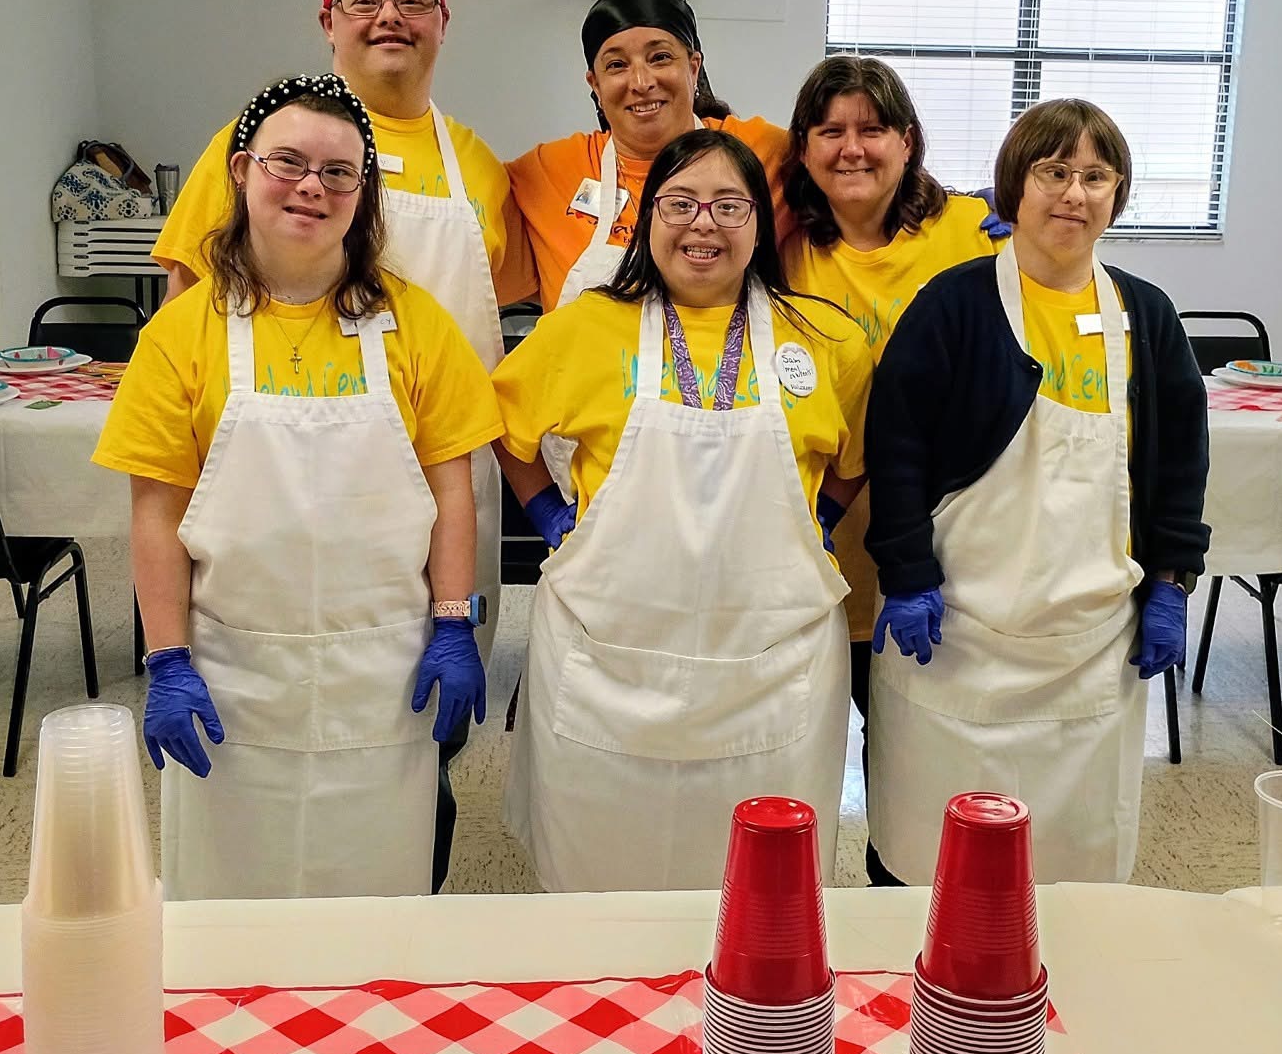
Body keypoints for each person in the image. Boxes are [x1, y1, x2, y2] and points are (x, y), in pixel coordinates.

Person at [148, 0, 520, 886]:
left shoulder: (479, 168)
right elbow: (193, 313)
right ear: (327, 22)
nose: (388, 19)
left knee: (415, 740)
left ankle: (414, 894)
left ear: (445, 20)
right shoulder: (255, 143)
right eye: (364, 0)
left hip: (436, 494)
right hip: (265, 499)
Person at [94, 74, 502, 901]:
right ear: (242, 171)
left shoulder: (418, 325)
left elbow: (451, 492)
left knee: (375, 903)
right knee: (232, 914)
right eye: (288, 162)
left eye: (338, 171)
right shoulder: (183, 331)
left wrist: (454, 624)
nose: (312, 186)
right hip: (233, 676)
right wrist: (166, 657)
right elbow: (157, 510)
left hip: (385, 676)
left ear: (363, 192)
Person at [492, 127, 873, 891]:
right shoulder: (584, 328)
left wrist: (818, 524)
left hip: (771, 668)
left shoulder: (826, 338)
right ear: (647, 217)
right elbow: (506, 431)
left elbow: (854, 458)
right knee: (601, 881)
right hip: (610, 662)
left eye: (730, 206)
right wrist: (548, 520)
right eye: (681, 203)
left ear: (760, 225)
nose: (704, 225)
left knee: (758, 898)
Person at [863, 98, 1209, 887]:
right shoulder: (954, 306)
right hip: (959, 636)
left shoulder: (1145, 316)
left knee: (1072, 867)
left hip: (1090, 648)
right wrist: (907, 571)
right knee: (934, 861)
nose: (1074, 194)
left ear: (1117, 195)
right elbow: (899, 446)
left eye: (1095, 176)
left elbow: (1183, 458)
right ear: (1013, 187)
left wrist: (1171, 580)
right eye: (1054, 172)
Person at [779, 54, 1004, 710]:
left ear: (907, 142)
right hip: (831, 544)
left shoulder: (971, 233)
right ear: (803, 149)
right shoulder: (783, 252)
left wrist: (1033, 220)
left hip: (954, 548)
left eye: (873, 129)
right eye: (830, 131)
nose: (852, 149)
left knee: (936, 752)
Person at [507, 0, 792, 313]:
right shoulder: (545, 172)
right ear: (595, 84)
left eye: (660, 58)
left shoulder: (766, 152)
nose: (641, 82)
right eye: (616, 65)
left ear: (693, 67)